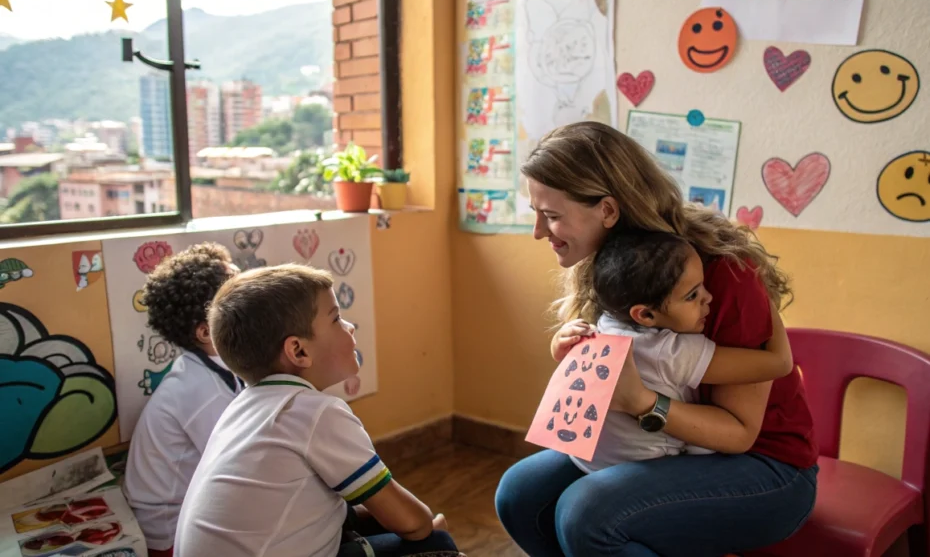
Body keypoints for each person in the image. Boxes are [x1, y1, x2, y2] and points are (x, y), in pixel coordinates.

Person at [495, 122, 818, 557]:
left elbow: (739, 432)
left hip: (766, 466)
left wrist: (642, 403)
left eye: (551, 215)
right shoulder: (613, 268)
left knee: (587, 512)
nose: (538, 232)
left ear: (608, 211)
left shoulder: (720, 275)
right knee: (520, 493)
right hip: (668, 446)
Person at [174, 264, 463, 557]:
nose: (349, 326)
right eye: (336, 318)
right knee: (436, 544)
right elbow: (414, 524)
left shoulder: (242, 408)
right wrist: (430, 524)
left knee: (352, 515)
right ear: (298, 351)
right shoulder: (314, 413)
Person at [574, 228, 794, 472]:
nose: (708, 298)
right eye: (692, 295)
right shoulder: (670, 353)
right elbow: (780, 364)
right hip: (644, 467)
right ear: (646, 314)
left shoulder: (607, 323)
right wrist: (761, 292)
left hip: (591, 459)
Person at [122, 243, 243, 557]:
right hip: (168, 533)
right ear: (206, 332)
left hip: (186, 508)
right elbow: (241, 467)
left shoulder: (216, 368)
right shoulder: (202, 391)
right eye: (241, 298)